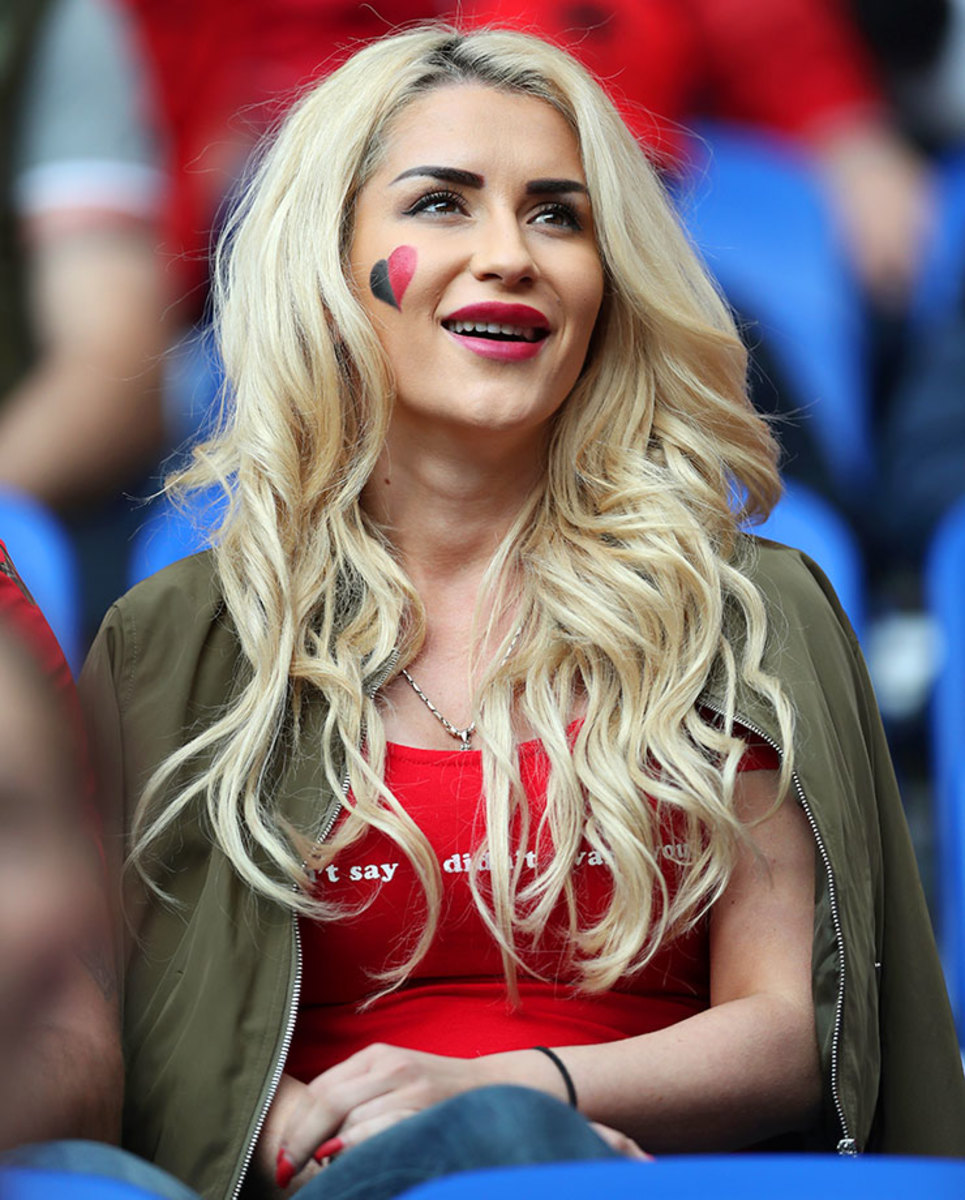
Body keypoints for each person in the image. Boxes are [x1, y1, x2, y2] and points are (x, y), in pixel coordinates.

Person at [79, 23, 965, 1200]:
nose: (511, 254)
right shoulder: (175, 643)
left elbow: (789, 1029)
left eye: (558, 214)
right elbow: (103, 1032)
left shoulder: (744, 611)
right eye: (441, 205)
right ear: (328, 260)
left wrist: (526, 1100)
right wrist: (292, 1122)